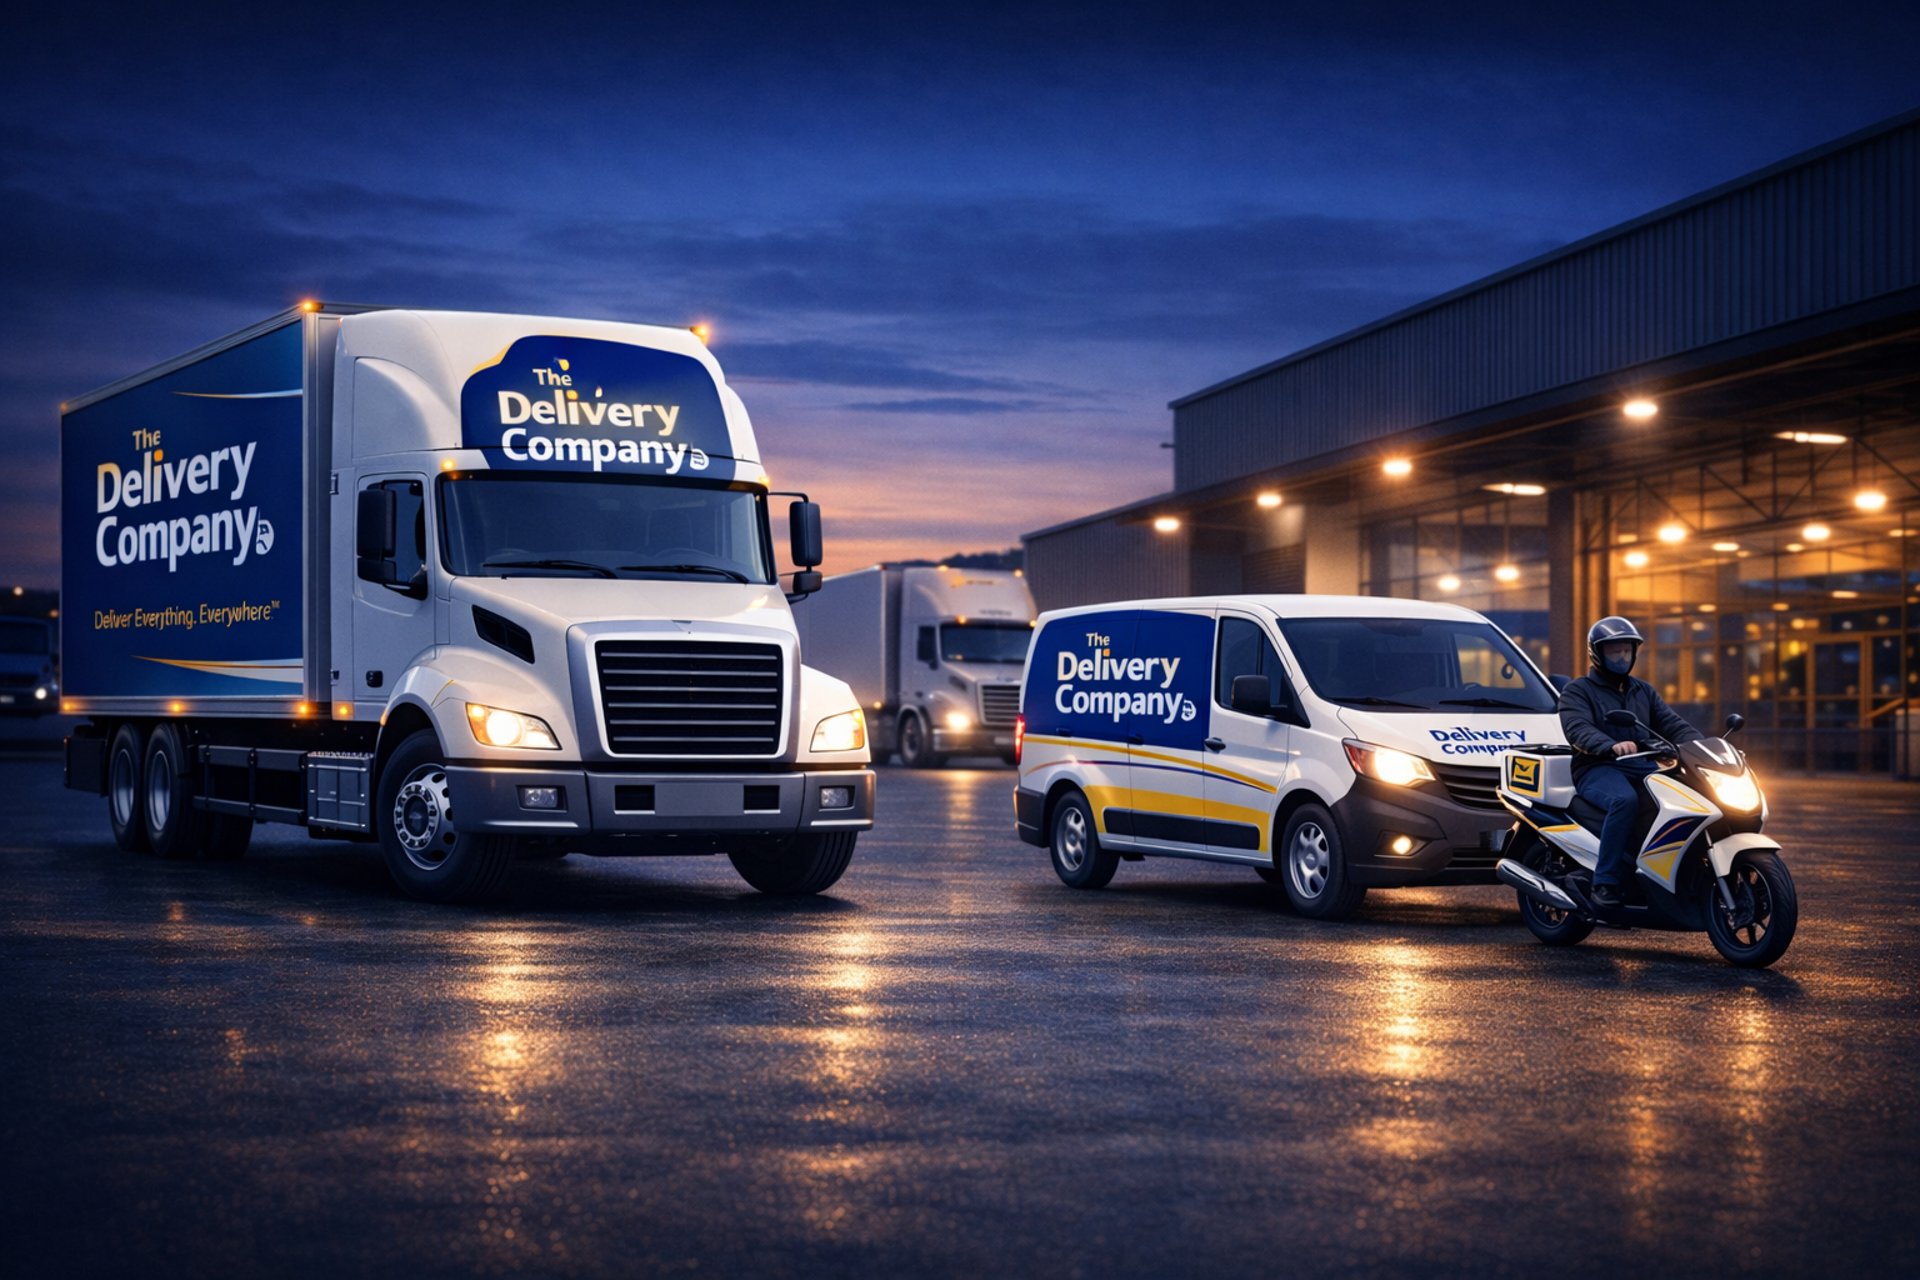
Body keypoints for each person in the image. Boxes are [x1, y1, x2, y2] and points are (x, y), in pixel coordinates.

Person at [1557, 616, 1702, 912]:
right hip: (1596, 767)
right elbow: (1578, 728)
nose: (1622, 657)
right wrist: (1609, 745)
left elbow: (1673, 724)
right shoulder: (1578, 690)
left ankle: (1667, 872)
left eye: (1627, 650)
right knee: (1624, 801)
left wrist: (1702, 747)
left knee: (1684, 799)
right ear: (1597, 653)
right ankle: (1605, 883)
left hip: (1641, 765)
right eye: (1615, 651)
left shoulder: (1643, 691)